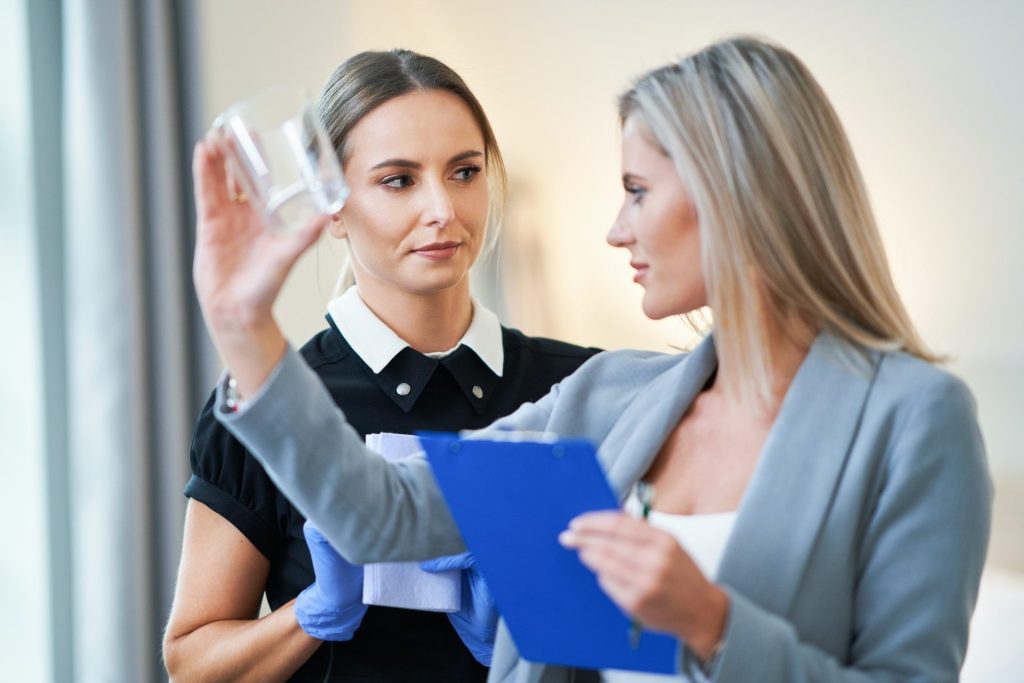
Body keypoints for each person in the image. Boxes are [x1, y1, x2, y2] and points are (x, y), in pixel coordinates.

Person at [191, 36, 992, 682]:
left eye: (637, 190)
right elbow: (383, 515)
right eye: (399, 179)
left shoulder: (913, 418)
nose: (616, 228)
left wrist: (711, 623)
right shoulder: (609, 393)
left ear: (733, 195)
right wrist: (241, 322)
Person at [162, 49, 600, 682]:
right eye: (399, 180)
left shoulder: (577, 389)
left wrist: (523, 639)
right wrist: (311, 614)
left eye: (464, 172)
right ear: (331, 206)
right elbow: (192, 665)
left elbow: (637, 649)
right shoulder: (266, 407)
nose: (443, 210)